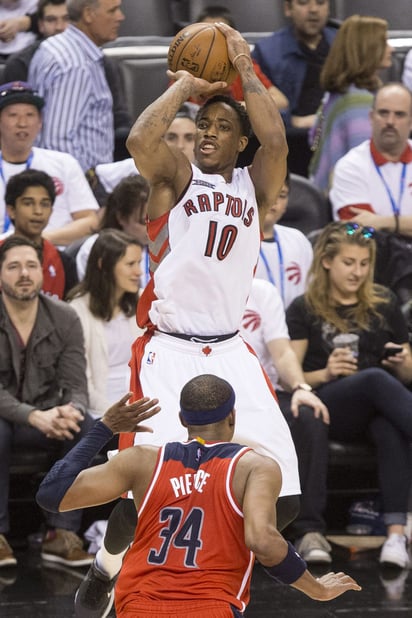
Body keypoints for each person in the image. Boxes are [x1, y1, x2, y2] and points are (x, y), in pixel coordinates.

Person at [73, 22, 301, 617]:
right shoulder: (175, 178)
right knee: (148, 484)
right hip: (169, 349)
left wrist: (245, 68)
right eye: (205, 124)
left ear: (241, 143)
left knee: (285, 496)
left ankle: (208, 567)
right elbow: (141, 140)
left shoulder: (255, 182)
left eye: (224, 127)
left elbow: (278, 142)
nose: (209, 133)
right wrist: (185, 85)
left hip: (231, 351)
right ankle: (108, 567)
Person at [36, 374, 361, 617]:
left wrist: (105, 426)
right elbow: (262, 540)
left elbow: (52, 494)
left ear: (181, 421)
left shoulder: (142, 461)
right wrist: (316, 589)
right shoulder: (255, 467)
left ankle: (104, 568)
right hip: (211, 606)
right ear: (232, 417)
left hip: (138, 605)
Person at [286, 221, 412, 569]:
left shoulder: (384, 304)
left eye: (364, 264)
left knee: (389, 423)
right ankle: (310, 531)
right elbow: (291, 376)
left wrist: (401, 362)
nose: (358, 272)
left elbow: (409, 372)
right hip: (327, 404)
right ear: (327, 261)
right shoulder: (304, 308)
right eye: (349, 263)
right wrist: (326, 372)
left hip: (377, 409)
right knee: (372, 378)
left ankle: (396, 537)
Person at [0, 235, 95, 569]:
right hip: (9, 418)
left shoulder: (64, 316)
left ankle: (61, 533)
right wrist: (34, 416)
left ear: (42, 271)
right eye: (13, 267)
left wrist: (71, 411)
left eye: (31, 266)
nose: (24, 273)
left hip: (46, 417)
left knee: (87, 427)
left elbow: (76, 384)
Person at [240, 277, 331, 562]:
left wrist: (301, 388)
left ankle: (309, 531)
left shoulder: (262, 291)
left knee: (308, 414)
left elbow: (282, 351)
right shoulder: (189, 289)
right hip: (211, 393)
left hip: (264, 395)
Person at [329, 83, 412, 302]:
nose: (390, 122)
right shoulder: (350, 166)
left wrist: (384, 222)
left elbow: (375, 225)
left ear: (411, 121)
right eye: (384, 113)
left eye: (399, 115)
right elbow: (361, 234)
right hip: (376, 274)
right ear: (371, 117)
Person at [28, 0, 125, 172]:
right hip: (78, 184)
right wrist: (83, 186)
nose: (121, 17)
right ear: (88, 15)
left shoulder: (53, 46)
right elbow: (57, 142)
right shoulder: (76, 64)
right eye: (112, 11)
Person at [0, 81, 99, 246]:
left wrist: (39, 240)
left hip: (53, 253)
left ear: (40, 122)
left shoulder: (64, 163)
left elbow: (90, 221)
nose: (22, 123)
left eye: (30, 115)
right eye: (13, 115)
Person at [309, 15, 393, 193]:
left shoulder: (338, 94)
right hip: (351, 200)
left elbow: (312, 138)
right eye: (384, 42)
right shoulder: (360, 103)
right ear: (367, 48)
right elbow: (367, 166)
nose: (391, 48)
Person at [68, 230, 143, 419]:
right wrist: (116, 415)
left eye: (139, 263)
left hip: (142, 404)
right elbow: (81, 383)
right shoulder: (76, 311)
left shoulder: (144, 302)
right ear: (103, 265)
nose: (138, 272)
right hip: (100, 411)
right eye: (130, 264)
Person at [252, 0, 336, 130]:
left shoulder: (344, 45)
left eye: (320, 2)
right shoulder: (266, 52)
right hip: (288, 139)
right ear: (288, 8)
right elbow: (255, 106)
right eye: (303, 3)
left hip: (338, 136)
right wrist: (293, 121)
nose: (313, 9)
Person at [195, 4, 288, 110]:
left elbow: (281, 101)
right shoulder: (184, 66)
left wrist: (231, 108)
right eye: (207, 36)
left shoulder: (242, 64)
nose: (213, 42)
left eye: (220, 36)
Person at [93, 103, 198, 197]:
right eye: (171, 137)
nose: (180, 145)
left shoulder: (208, 176)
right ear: (161, 141)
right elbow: (96, 175)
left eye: (189, 138)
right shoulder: (140, 167)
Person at [3, 169, 78, 299]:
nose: (38, 211)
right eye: (28, 203)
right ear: (11, 210)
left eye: (44, 204)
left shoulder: (65, 263)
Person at [75, 175, 149, 283]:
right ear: (121, 217)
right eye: (143, 222)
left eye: (156, 221)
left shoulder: (167, 246)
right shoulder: (95, 248)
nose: (152, 228)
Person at [254, 173, 313, 308]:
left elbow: (311, 293)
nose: (274, 200)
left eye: (281, 195)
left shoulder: (298, 240)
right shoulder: (235, 241)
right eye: (269, 191)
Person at [3, 0, 69, 82]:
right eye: (51, 20)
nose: (59, 27)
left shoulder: (87, 55)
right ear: (41, 25)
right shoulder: (21, 65)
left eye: (66, 19)